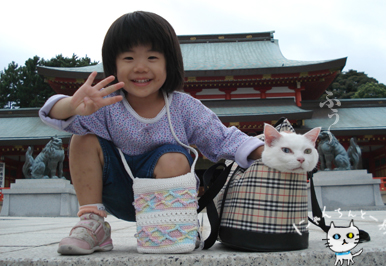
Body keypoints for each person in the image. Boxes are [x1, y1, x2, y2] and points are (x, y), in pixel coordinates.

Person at [39, 11, 264, 255]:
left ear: (169, 62)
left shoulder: (184, 107)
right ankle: (93, 223)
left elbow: (222, 138)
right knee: (82, 135)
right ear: (113, 64)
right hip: (118, 193)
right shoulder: (104, 104)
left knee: (174, 157)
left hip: (168, 202)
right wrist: (72, 106)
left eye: (152, 57)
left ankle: (179, 227)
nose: (140, 67)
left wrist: (270, 150)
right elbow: (55, 113)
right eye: (128, 57)